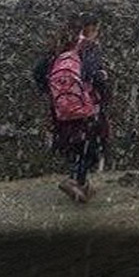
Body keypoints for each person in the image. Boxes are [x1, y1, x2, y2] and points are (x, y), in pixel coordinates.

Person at [34, 13, 110, 203]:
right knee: (92, 146)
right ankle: (74, 180)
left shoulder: (57, 50)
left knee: (76, 146)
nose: (97, 35)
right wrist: (102, 79)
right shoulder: (87, 48)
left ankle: (81, 186)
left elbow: (37, 73)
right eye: (95, 30)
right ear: (89, 30)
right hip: (85, 107)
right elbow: (92, 75)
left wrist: (54, 94)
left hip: (61, 109)